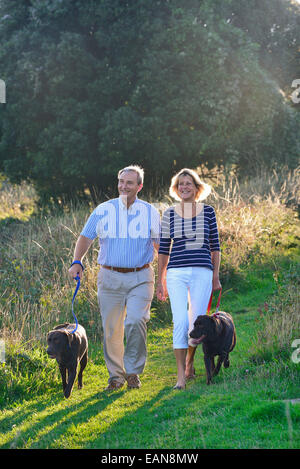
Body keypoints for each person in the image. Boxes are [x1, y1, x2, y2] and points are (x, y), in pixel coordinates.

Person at [68, 165, 160, 391]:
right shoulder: (103, 210)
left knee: (136, 321)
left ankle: (133, 373)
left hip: (141, 275)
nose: (124, 186)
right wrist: (77, 261)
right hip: (109, 276)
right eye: (121, 181)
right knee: (111, 329)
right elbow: (85, 237)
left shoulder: (150, 212)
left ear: (139, 186)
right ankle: (116, 377)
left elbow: (160, 244)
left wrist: (168, 270)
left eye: (129, 183)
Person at [156, 168, 221, 390]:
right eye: (181, 184)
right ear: (176, 189)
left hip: (202, 272)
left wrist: (216, 277)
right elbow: (164, 249)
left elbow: (215, 247)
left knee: (197, 323)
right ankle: (180, 378)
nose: (184, 187)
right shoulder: (169, 214)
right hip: (176, 273)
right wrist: (159, 280)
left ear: (197, 188)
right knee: (180, 322)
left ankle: (190, 363)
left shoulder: (208, 211)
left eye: (189, 183)